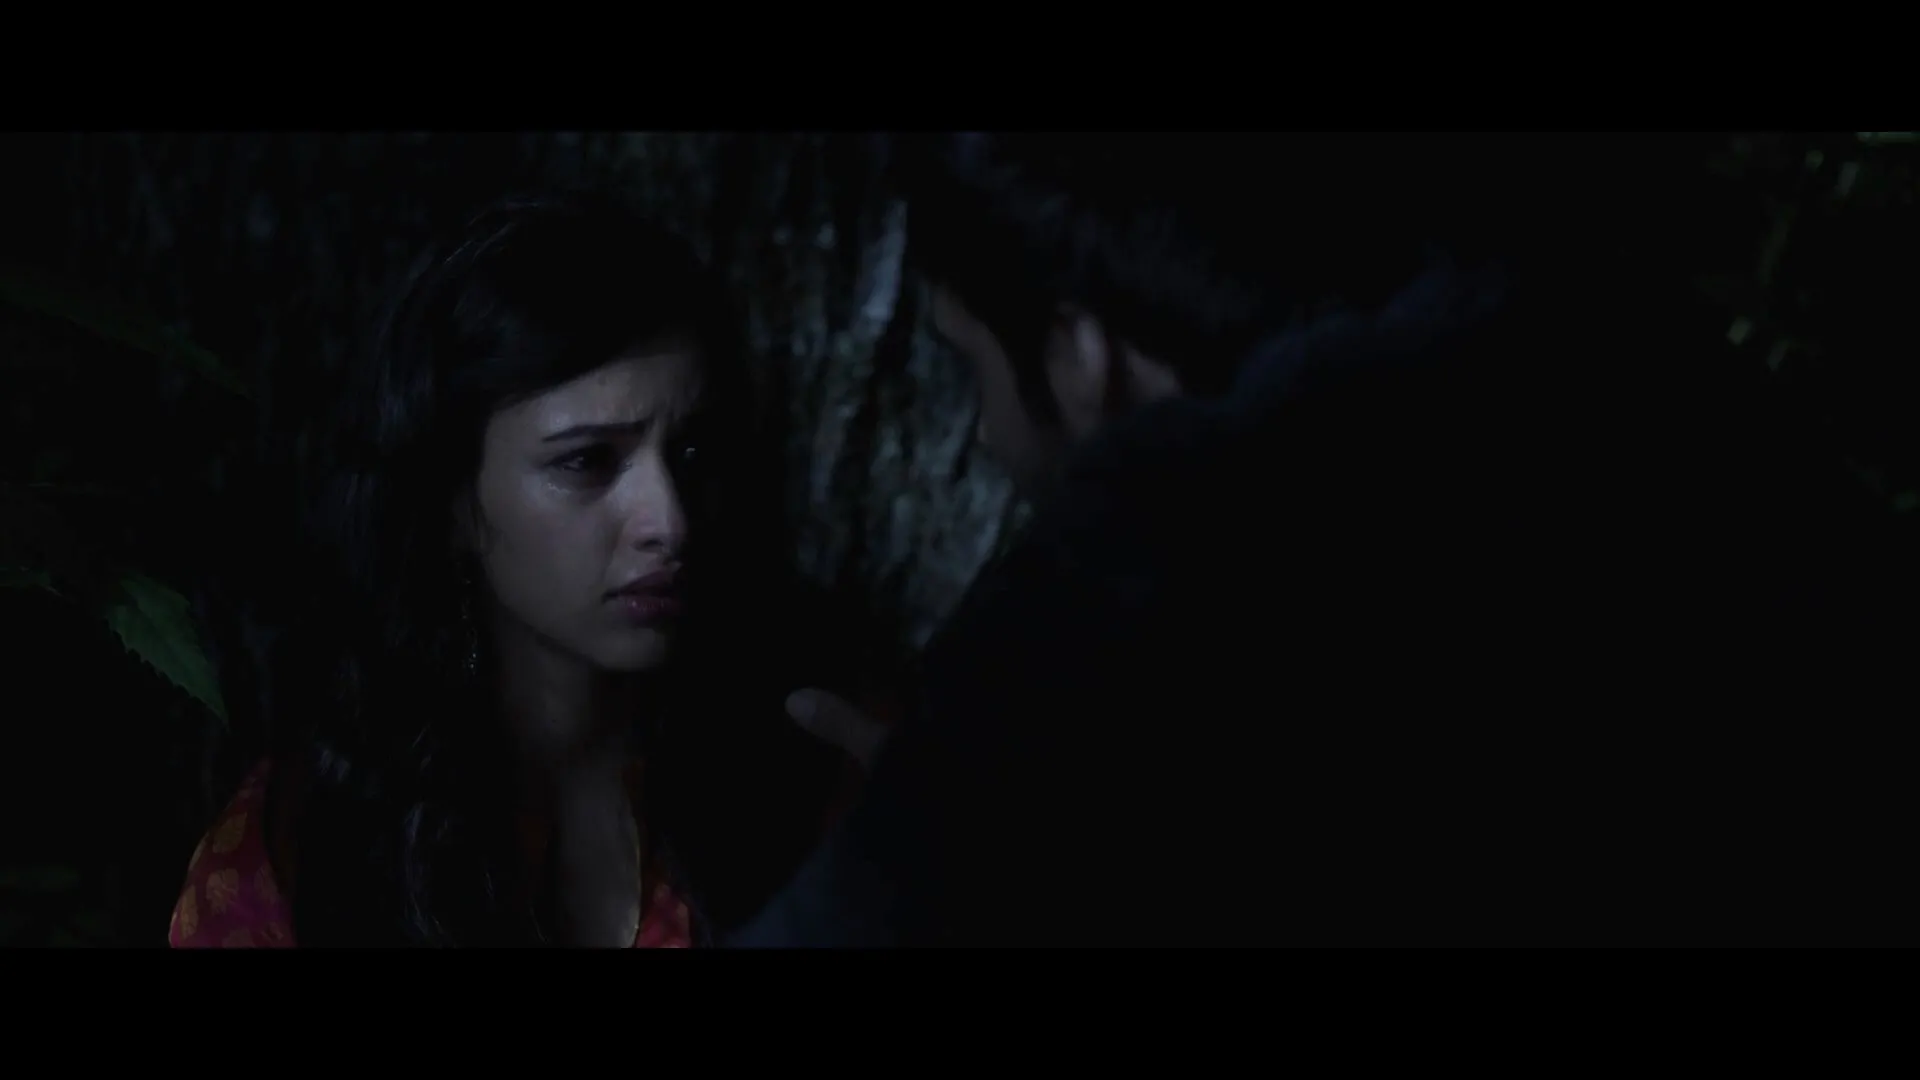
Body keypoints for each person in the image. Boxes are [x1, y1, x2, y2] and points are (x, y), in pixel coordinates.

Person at [732, 133, 1919, 947]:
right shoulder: (1598, 345)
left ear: (1083, 352)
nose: (988, 433)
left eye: (970, 364)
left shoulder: (1154, 547)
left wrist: (949, 831)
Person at [168, 191, 866, 947]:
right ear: (454, 499)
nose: (669, 522)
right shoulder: (299, 850)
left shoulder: (818, 768)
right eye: (586, 461)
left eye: (692, 452)